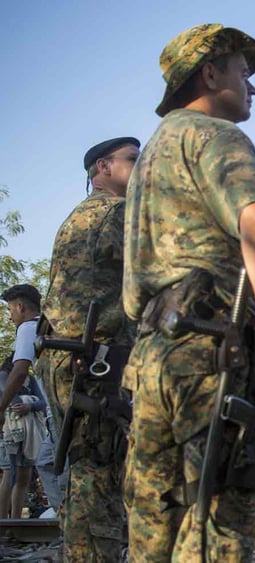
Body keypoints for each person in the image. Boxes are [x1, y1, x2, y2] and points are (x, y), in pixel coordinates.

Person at [122, 24, 255, 561]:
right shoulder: (215, 135)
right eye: (244, 72)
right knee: (215, 519)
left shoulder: (152, 154)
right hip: (211, 349)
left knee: (156, 517)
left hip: (153, 354)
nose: (253, 86)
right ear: (210, 71)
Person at [36, 136, 139, 559]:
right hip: (94, 358)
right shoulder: (115, 213)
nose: (142, 168)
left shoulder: (80, 216)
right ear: (103, 168)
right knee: (100, 468)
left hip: (73, 355)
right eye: (133, 160)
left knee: (86, 468)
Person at [0, 285, 47, 519]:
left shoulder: (28, 328)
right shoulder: (47, 326)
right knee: (44, 464)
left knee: (47, 465)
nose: (10, 316)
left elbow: (19, 372)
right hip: (52, 413)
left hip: (45, 419)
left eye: (10, 310)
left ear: (20, 307)